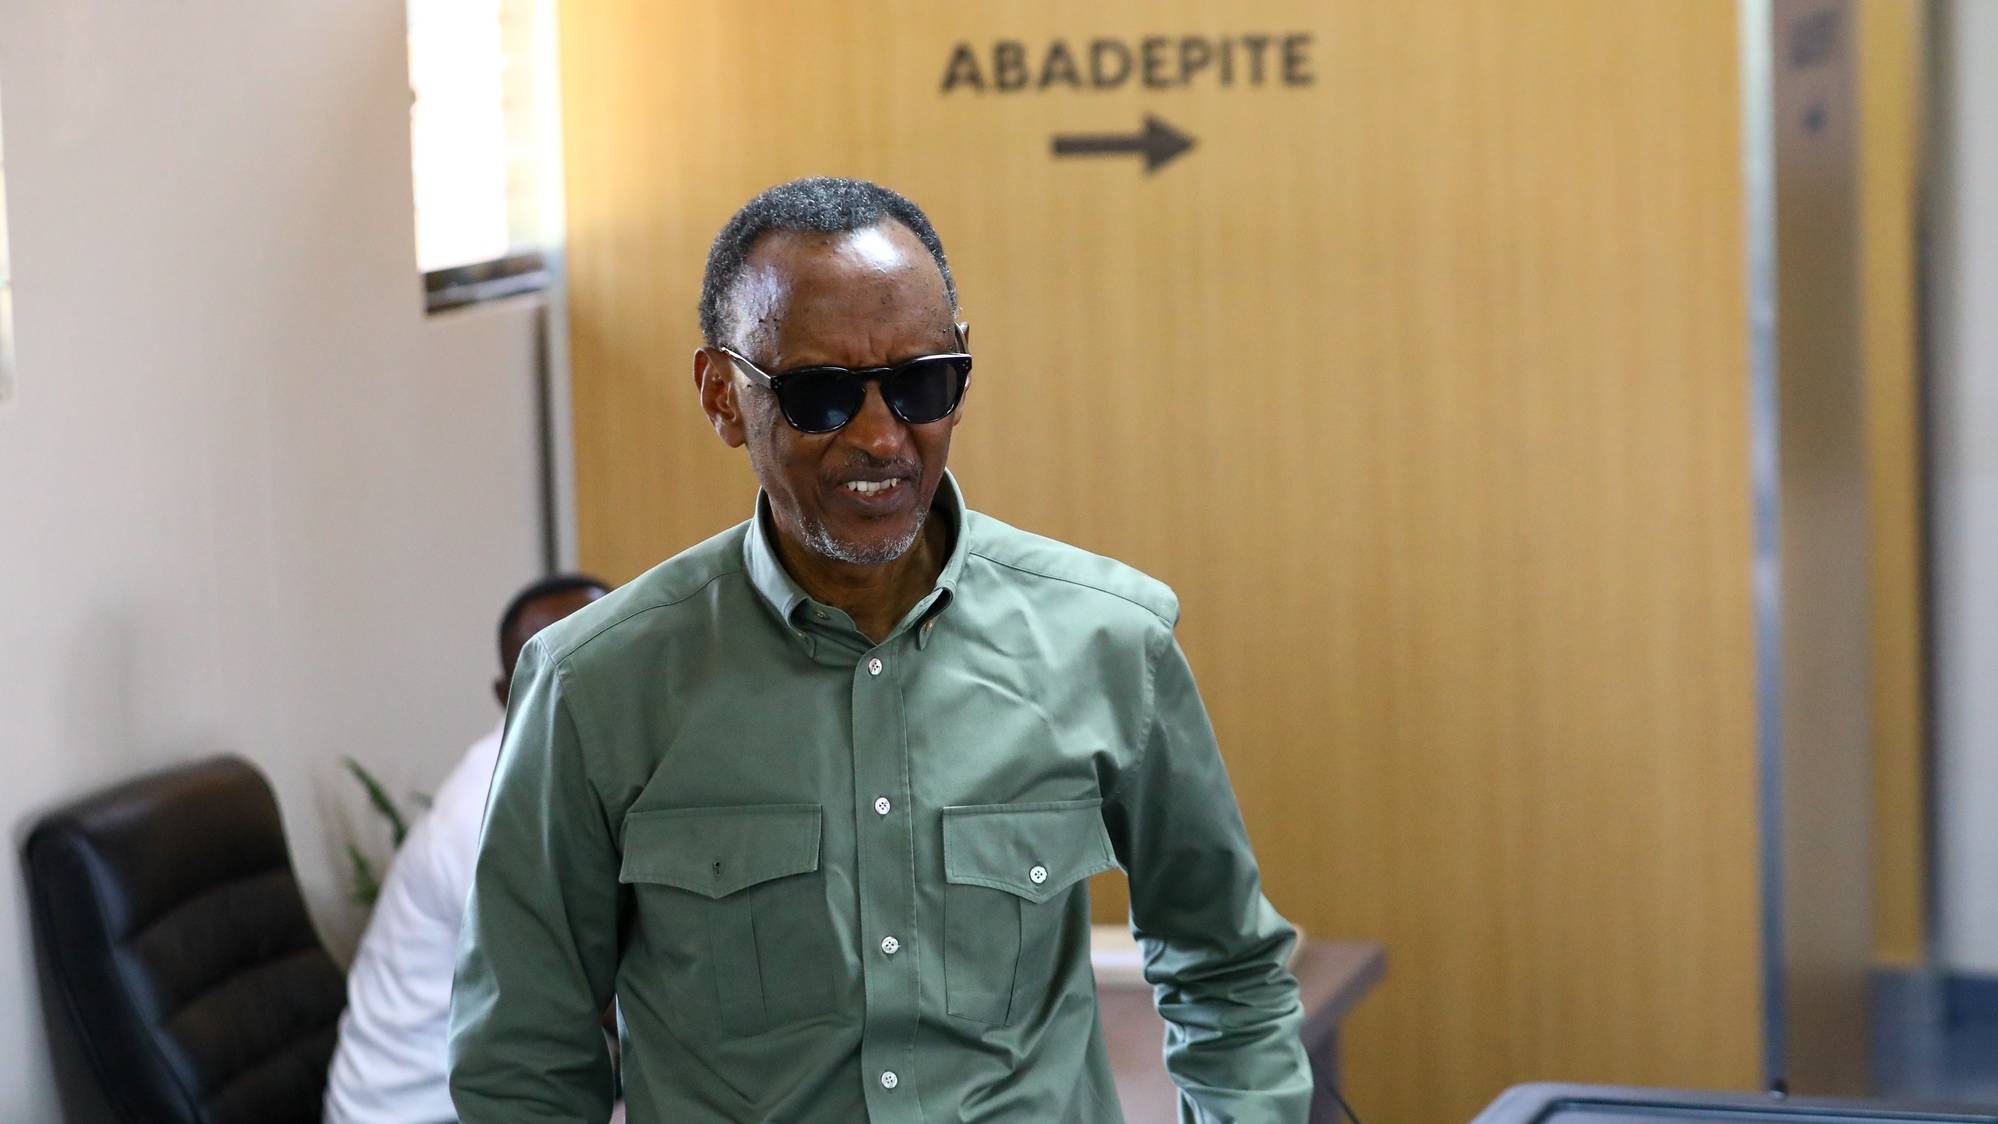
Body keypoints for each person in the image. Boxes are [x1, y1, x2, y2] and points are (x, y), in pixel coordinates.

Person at [450, 178, 1311, 1122]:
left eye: (920, 384)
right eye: (820, 395)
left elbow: (1229, 971)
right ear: (723, 396)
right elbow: (524, 1063)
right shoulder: (594, 687)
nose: (879, 437)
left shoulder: (1109, 642)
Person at [326, 574, 609, 1124]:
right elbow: (600, 999)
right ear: (507, 695)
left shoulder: (581, 769)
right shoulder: (488, 812)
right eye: (564, 666)